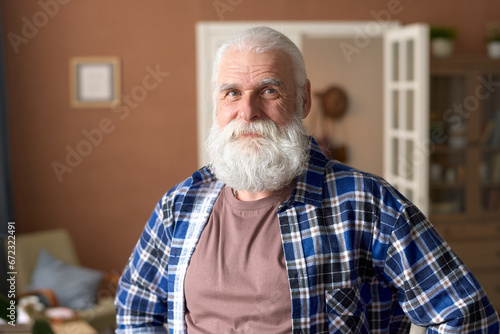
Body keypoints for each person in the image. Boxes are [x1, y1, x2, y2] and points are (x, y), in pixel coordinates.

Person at [114, 26, 499, 333]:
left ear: (303, 99)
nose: (248, 112)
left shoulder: (369, 204)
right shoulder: (178, 206)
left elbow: (465, 317)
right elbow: (135, 307)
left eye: (268, 90)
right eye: (232, 92)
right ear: (218, 105)